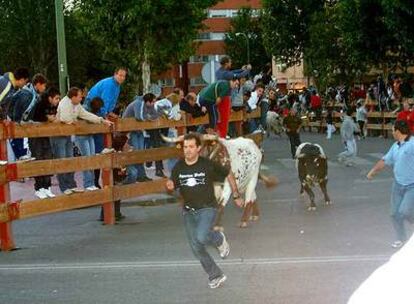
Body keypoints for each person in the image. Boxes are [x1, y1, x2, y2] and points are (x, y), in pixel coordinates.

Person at [166, 133, 243, 289]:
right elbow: (173, 184)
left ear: (198, 148)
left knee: (201, 237)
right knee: (196, 246)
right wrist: (170, 185)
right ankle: (216, 275)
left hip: (207, 208)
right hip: (189, 211)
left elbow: (228, 173)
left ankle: (219, 239)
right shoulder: (179, 167)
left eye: (191, 147)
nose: (187, 150)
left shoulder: (207, 164)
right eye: (185, 147)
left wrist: (235, 194)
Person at [51, 87, 113, 195]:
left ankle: (72, 185)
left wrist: (101, 120)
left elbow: (85, 114)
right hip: (58, 135)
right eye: (80, 96)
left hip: (68, 135)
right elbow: (66, 118)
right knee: (62, 160)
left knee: (70, 160)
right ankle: (64, 186)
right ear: (73, 97)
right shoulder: (65, 103)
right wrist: (73, 121)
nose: (81, 98)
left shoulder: (77, 105)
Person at [367, 120, 414, 248]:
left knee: (404, 211)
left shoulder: (412, 143)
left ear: (398, 131)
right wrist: (373, 171)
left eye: (393, 130)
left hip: (412, 185)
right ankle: (401, 238)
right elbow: (385, 160)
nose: (392, 132)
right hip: (398, 185)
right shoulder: (395, 146)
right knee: (394, 213)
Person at [29, 87, 61, 199]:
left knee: (47, 159)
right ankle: (39, 188)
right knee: (38, 159)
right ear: (50, 98)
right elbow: (46, 118)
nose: (58, 101)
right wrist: (50, 119)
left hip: (46, 135)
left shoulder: (54, 106)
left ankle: (47, 187)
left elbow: (54, 118)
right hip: (35, 136)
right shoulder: (40, 104)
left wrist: (52, 119)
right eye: (56, 98)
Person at [9, 73, 48, 161]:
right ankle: (21, 154)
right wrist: (18, 121)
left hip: (16, 120)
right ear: (38, 84)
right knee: (19, 137)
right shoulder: (27, 94)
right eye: (44, 86)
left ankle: (21, 154)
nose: (44, 88)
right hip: (13, 120)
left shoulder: (33, 95)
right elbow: (17, 109)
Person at [122, 93, 157, 183]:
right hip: (130, 130)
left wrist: (149, 117)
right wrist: (148, 118)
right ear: (147, 101)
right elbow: (139, 116)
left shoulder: (149, 105)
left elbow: (155, 115)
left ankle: (141, 175)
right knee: (136, 152)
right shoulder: (139, 103)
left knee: (140, 152)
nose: (154, 104)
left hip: (138, 130)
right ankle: (132, 174)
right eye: (152, 102)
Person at [215, 56, 250, 138]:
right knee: (225, 119)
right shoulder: (226, 74)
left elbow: (234, 71)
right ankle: (222, 138)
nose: (231, 64)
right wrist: (247, 69)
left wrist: (242, 68)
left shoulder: (219, 72)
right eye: (230, 62)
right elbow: (240, 75)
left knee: (220, 119)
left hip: (219, 96)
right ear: (226, 63)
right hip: (225, 98)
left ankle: (220, 136)